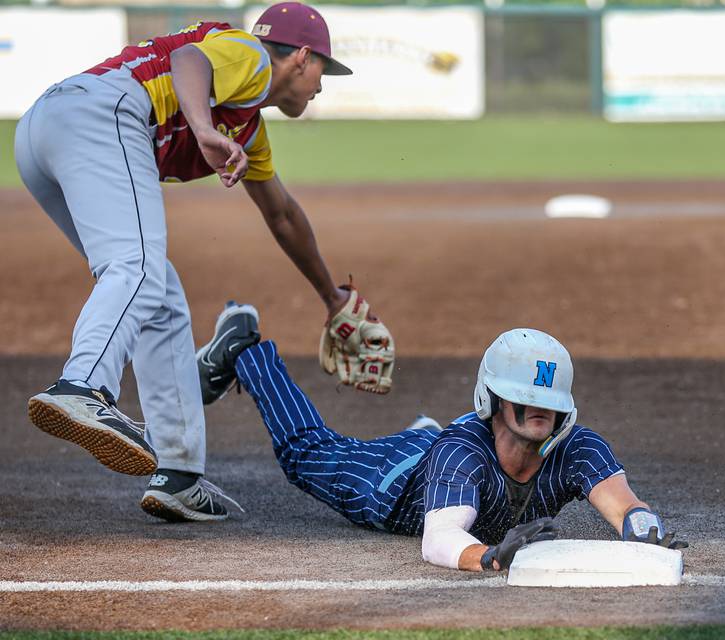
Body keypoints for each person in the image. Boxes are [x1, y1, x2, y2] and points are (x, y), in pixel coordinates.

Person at [15, 2, 360, 523]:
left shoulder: (250, 131)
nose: (321, 86)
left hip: (44, 132)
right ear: (302, 58)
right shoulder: (252, 56)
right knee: (136, 267)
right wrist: (201, 126)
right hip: (100, 112)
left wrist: (332, 299)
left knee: (160, 290)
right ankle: (83, 386)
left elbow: (283, 215)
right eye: (322, 71)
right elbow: (191, 63)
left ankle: (177, 472)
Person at [188, 302, 687, 571]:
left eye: (551, 403)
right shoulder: (462, 451)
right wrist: (488, 556)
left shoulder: (579, 447)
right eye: (525, 398)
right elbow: (440, 539)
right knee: (305, 452)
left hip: (439, 457)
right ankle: (246, 350)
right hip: (395, 483)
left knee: (437, 448)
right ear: (491, 398)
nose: (540, 410)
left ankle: (420, 433)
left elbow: (625, 507)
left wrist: (645, 532)